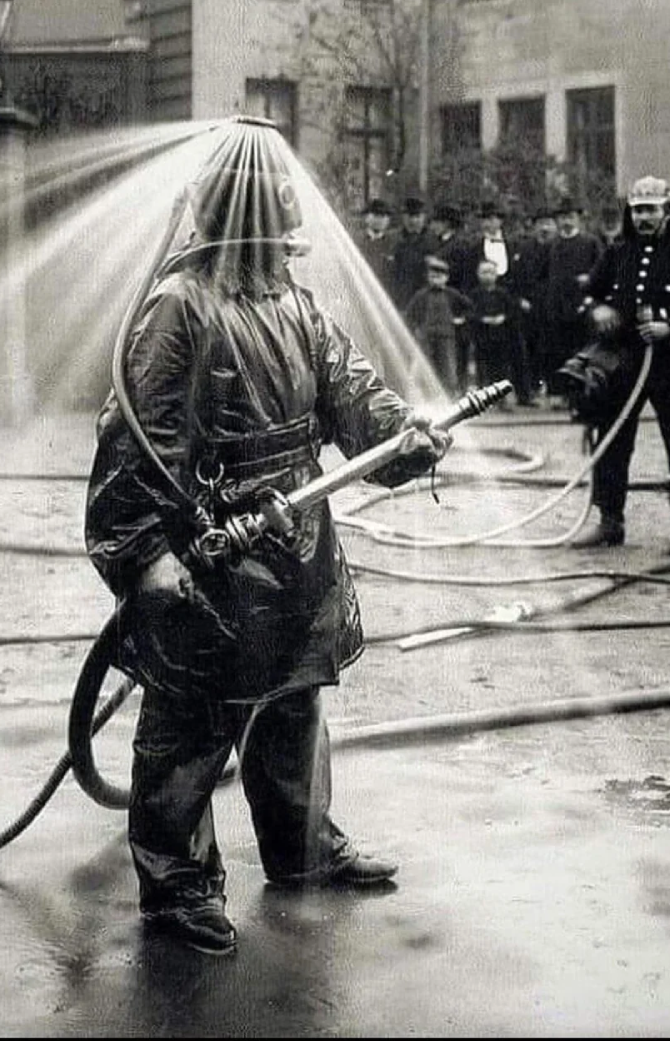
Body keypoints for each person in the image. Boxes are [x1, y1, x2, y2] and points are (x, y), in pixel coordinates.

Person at [84, 123, 452, 957]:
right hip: (211, 546)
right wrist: (146, 556)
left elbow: (353, 394)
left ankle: (302, 849)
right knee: (190, 717)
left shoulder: (295, 303)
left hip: (296, 545)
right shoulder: (179, 309)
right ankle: (176, 885)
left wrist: (404, 435)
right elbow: (133, 445)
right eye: (272, 223)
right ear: (232, 218)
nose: (286, 240)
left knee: (293, 703)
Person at [570, 175, 670, 555]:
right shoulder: (616, 254)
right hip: (623, 364)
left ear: (667, 211)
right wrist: (598, 307)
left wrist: (669, 327)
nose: (644, 218)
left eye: (651, 209)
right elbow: (587, 296)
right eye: (638, 210)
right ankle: (610, 521)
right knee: (612, 441)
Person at [542, 195, 604, 407]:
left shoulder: (591, 242)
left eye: (570, 217)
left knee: (581, 351)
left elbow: (603, 271)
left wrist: (590, 278)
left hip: (582, 305)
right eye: (562, 218)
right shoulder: (552, 245)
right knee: (556, 351)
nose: (566, 221)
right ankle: (558, 394)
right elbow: (543, 276)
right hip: (557, 307)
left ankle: (579, 396)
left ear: (578, 219)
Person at [403, 253, 475, 397]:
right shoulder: (421, 295)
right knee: (426, 364)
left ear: (446, 278)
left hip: (446, 336)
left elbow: (469, 308)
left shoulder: (452, 294)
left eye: (439, 276)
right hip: (426, 336)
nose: (435, 280)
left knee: (447, 365)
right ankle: (427, 394)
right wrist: (415, 329)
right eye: (432, 276)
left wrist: (460, 319)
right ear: (428, 278)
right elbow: (410, 314)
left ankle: (449, 393)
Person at [466, 257, 527, 408]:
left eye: (491, 272)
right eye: (484, 272)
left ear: (496, 275)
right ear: (478, 274)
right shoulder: (474, 294)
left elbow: (512, 311)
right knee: (482, 368)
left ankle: (502, 398)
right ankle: (482, 399)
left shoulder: (502, 294)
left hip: (501, 337)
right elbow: (469, 313)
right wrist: (483, 319)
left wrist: (503, 318)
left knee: (501, 368)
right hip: (482, 336)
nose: (488, 276)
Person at [512, 205, 557, 404]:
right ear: (534, 227)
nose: (544, 228)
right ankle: (530, 391)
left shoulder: (559, 247)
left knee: (553, 348)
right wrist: (520, 298)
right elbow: (517, 276)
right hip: (529, 306)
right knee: (529, 349)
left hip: (554, 306)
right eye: (541, 224)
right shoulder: (525, 248)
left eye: (548, 224)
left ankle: (555, 391)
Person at [388, 194, 439, 313]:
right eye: (409, 216)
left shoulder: (433, 240)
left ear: (424, 217)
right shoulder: (393, 238)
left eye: (417, 216)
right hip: (398, 295)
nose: (413, 220)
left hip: (424, 295)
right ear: (403, 217)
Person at [354, 196, 395, 296]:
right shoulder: (355, 241)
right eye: (376, 215)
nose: (380, 220)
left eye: (384, 216)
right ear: (367, 218)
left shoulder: (394, 243)